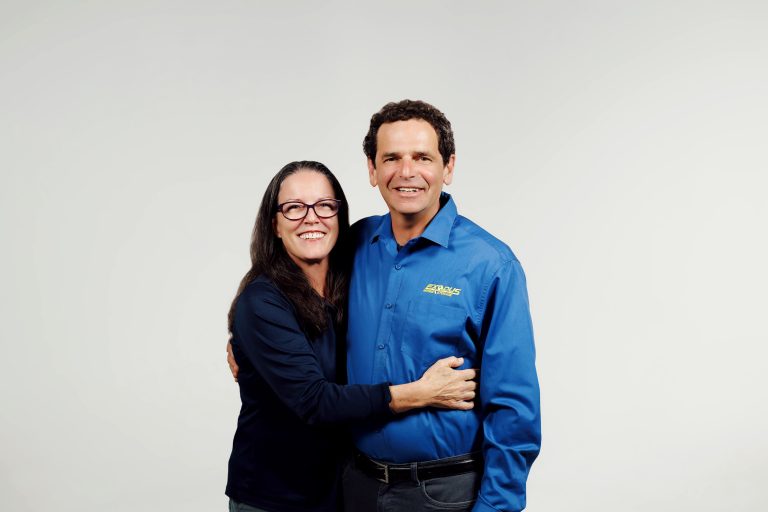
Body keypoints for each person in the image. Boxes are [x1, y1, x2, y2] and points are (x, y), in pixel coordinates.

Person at [225, 160, 477, 512]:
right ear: (275, 224)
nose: (311, 218)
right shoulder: (262, 302)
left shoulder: (353, 275)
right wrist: (420, 393)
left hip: (342, 489)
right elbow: (315, 402)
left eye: (324, 205)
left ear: (339, 216)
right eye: (294, 208)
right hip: (275, 496)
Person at [340, 100, 541, 512]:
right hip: (354, 486)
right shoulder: (354, 246)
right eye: (391, 157)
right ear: (372, 169)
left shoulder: (490, 264)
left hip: (442, 494)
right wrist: (242, 331)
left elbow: (514, 409)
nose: (407, 172)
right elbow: (288, 279)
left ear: (448, 167)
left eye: (422, 157)